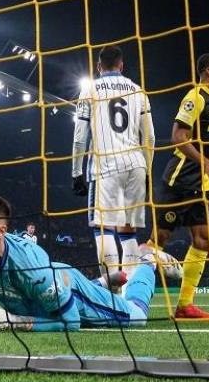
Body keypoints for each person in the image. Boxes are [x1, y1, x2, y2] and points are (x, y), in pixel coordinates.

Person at [0, 194, 180, 332]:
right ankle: (103, 282)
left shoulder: (30, 265)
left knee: (137, 317)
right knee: (47, 295)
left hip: (70, 293)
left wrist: (16, 322)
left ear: (1, 231)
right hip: (51, 284)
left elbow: (71, 322)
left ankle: (148, 260)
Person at [148, 53, 209, 319]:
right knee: (158, 241)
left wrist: (207, 170)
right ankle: (128, 295)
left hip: (201, 186)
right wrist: (207, 164)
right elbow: (178, 137)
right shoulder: (195, 96)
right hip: (180, 181)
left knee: (203, 239)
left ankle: (185, 305)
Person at [72, 46, 155, 285]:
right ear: (121, 65)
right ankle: (129, 291)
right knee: (128, 231)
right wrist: (147, 172)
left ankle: (112, 291)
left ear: (99, 67)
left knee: (104, 227)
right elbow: (149, 138)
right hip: (136, 164)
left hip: (104, 166)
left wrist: (76, 172)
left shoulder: (89, 89)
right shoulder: (139, 91)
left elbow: (80, 136)